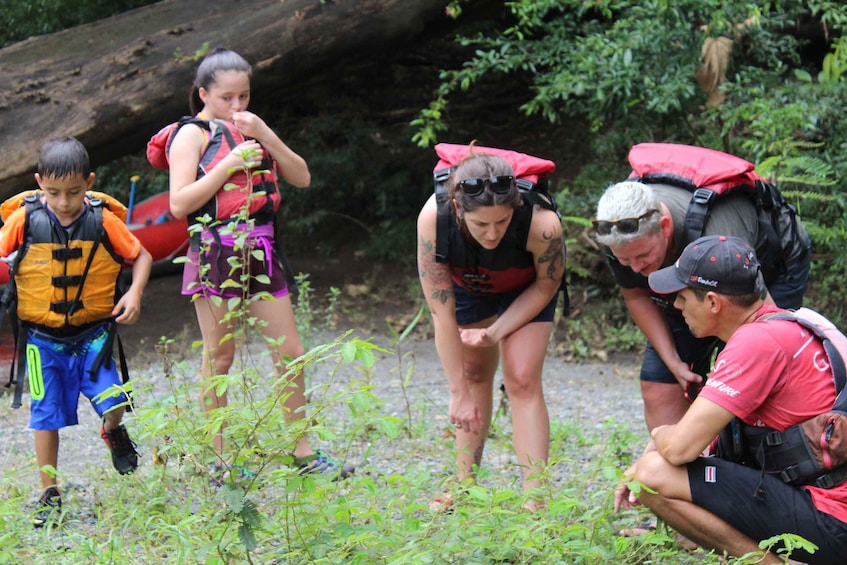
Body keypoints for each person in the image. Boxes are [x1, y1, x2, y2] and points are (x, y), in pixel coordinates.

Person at [166, 48, 352, 480]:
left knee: (291, 353)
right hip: (216, 251)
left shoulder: (254, 130)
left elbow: (301, 176)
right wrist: (228, 164)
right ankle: (221, 459)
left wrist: (265, 133)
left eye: (244, 97)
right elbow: (179, 204)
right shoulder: (192, 136)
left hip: (262, 250)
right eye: (227, 98)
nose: (237, 107)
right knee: (220, 355)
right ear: (203, 94)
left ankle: (302, 451)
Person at [614, 235, 847, 564]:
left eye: (681, 296)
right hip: (827, 503)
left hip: (833, 518)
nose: (677, 306)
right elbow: (717, 444)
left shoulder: (756, 342)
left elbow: (680, 448)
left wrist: (657, 436)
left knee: (652, 475)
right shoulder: (795, 324)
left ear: (712, 302)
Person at [0, 137, 152, 526]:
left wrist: (134, 293)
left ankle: (113, 432)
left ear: (89, 182)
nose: (64, 202)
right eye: (53, 193)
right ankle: (49, 493)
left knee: (115, 402)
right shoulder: (24, 219)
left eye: (73, 192)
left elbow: (142, 255)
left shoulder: (103, 220)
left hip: (94, 337)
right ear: (38, 183)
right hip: (41, 342)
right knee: (44, 417)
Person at [594, 180, 811, 431]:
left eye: (643, 255)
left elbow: (762, 319)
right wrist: (674, 364)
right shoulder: (619, 237)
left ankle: (783, 456)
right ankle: (678, 466)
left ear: (664, 227)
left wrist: (730, 375)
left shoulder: (715, 233)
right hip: (686, 278)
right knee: (659, 386)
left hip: (773, 264)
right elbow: (637, 296)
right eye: (624, 259)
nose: (635, 267)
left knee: (755, 374)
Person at [416, 147, 566, 509]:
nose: (493, 232)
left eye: (501, 222)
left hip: (526, 288)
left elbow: (547, 286)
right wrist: (457, 392)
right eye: (481, 224)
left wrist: (496, 332)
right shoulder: (433, 220)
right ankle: (464, 485)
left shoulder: (542, 224)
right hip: (470, 285)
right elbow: (441, 313)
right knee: (472, 376)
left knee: (522, 378)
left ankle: (536, 502)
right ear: (457, 208)